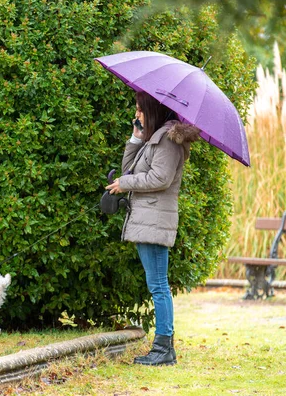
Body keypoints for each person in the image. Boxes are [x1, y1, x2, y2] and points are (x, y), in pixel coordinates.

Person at [105, 91, 199, 366]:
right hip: (148, 219)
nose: (137, 114)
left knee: (159, 285)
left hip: (155, 220)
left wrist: (126, 184)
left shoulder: (168, 140)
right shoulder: (154, 138)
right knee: (156, 284)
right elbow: (128, 169)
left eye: (140, 110)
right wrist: (136, 137)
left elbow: (161, 178)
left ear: (153, 111)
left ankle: (163, 349)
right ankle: (163, 347)